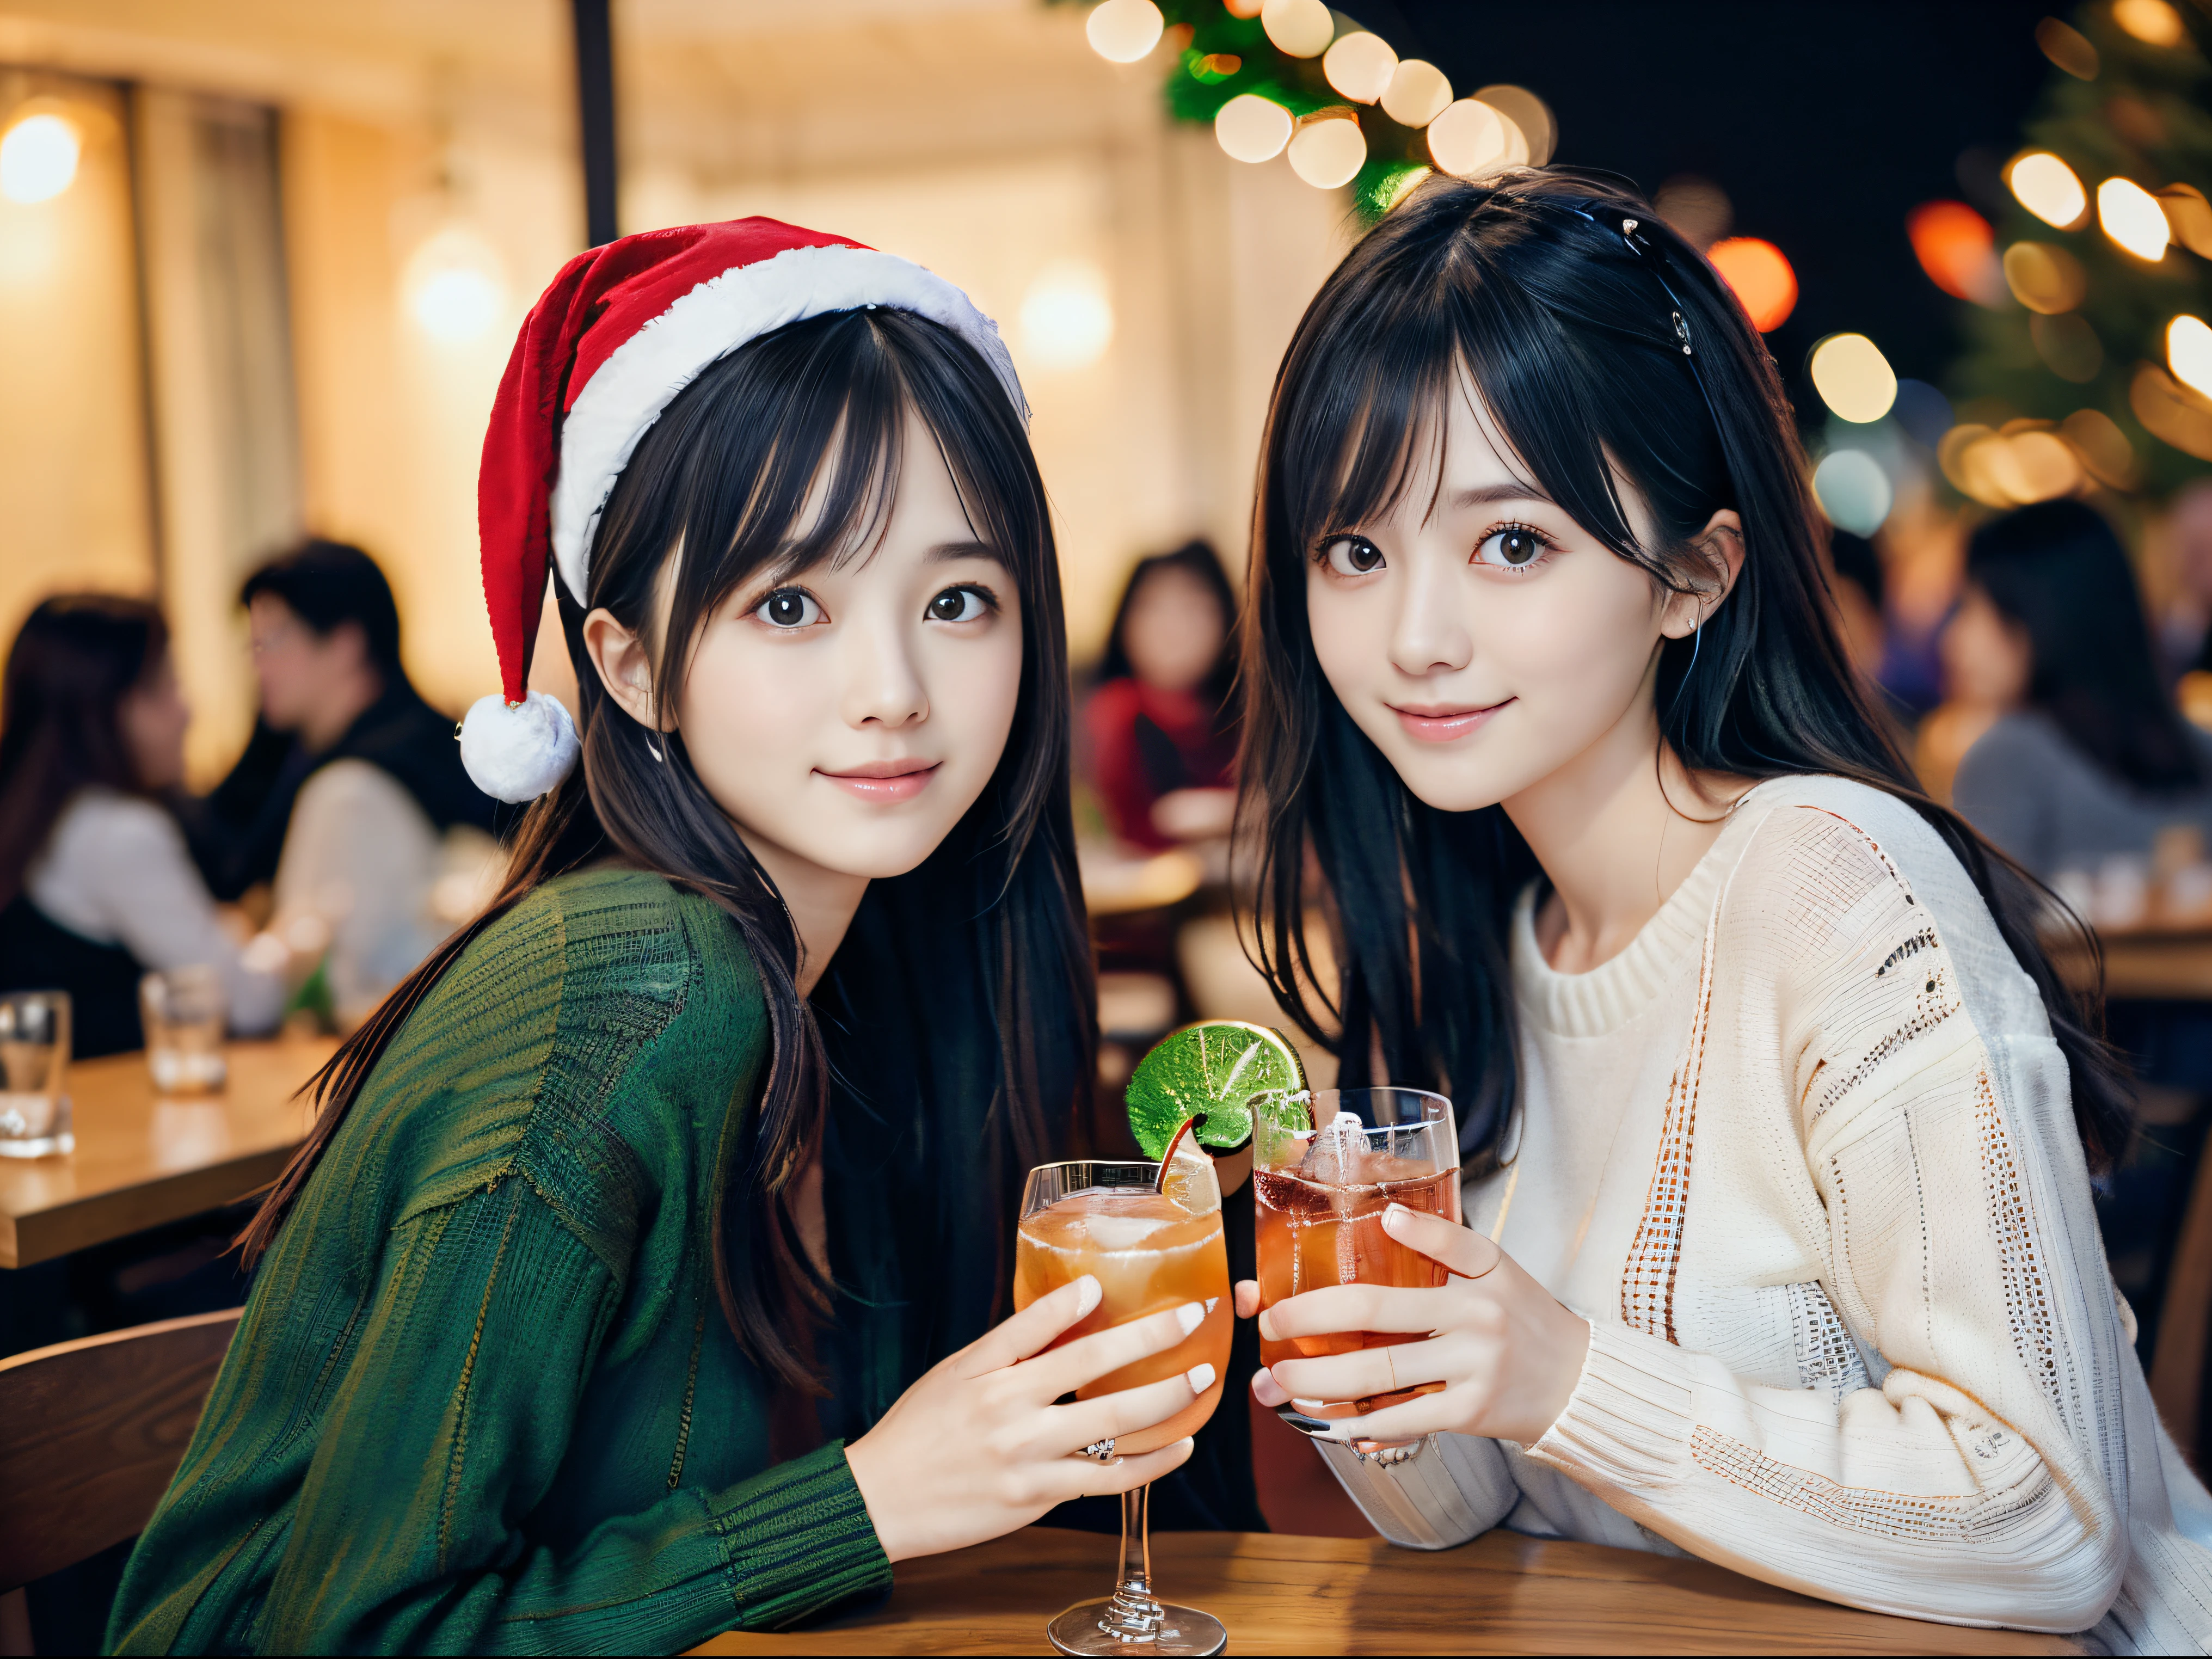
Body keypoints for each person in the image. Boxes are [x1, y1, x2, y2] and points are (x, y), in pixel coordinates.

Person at [107, 219, 1205, 1655]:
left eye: (956, 599)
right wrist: (868, 1500)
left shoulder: (878, 964)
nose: (894, 690)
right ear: (630, 661)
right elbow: (355, 1633)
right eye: (791, 603)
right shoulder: (635, 986)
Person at [1227, 171, 2212, 1649]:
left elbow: (2047, 1526)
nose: (1416, 639)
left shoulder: (1836, 888)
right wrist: (1382, 1377)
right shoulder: (1494, 937)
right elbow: (1479, 1508)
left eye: (1514, 544)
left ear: (1696, 571)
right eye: (1356, 552)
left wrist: (1564, 1376)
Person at [186, 540, 500, 1023]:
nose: (259, 666)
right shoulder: (415, 746)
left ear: (346, 644)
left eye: (274, 641)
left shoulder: (355, 785)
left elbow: (325, 982)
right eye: (252, 645)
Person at [0, 596, 285, 1058]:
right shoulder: (116, 833)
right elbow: (248, 1003)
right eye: (164, 687)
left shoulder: (38, 819)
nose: (187, 710)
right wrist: (288, 942)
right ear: (101, 710)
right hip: (115, 1122)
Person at [1951, 499, 2212, 889]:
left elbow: (1986, 932)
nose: (1956, 641)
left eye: (1971, 606)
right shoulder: (2197, 747)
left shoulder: (2007, 756)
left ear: (2035, 613)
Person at [1085, 540, 1238, 850]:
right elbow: (1138, 826)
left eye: (1193, 608)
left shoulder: (1251, 711)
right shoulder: (1116, 712)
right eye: (1151, 607)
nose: (1173, 628)